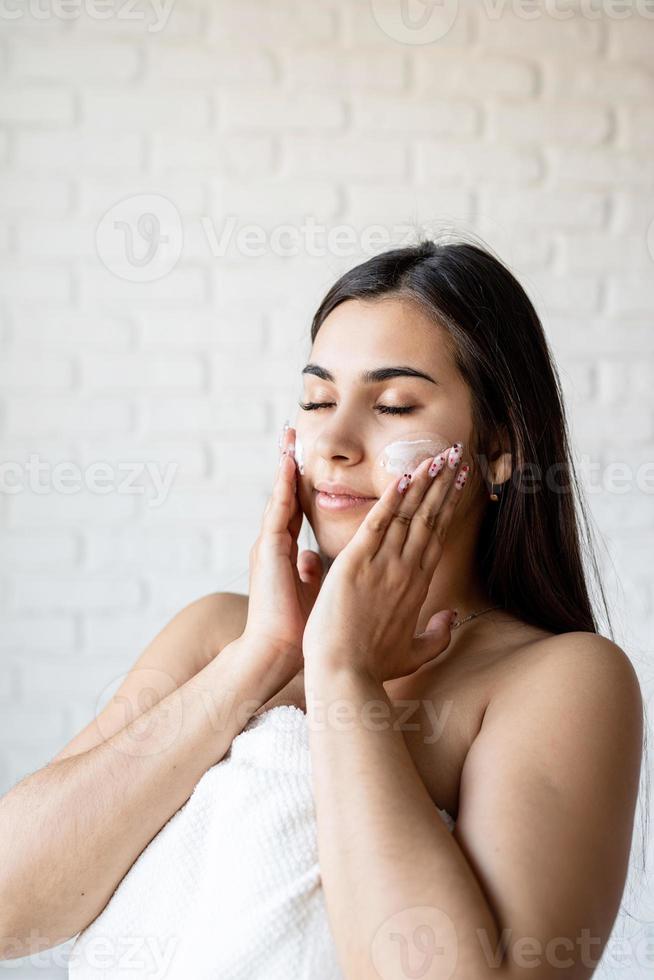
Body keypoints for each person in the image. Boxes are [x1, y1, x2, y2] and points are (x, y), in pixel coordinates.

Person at [0, 239, 645, 980]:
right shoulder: (218, 636)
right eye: (316, 401)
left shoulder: (561, 681)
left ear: (499, 448)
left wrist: (342, 675)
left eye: (394, 405)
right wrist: (264, 656)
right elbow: (11, 909)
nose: (333, 443)